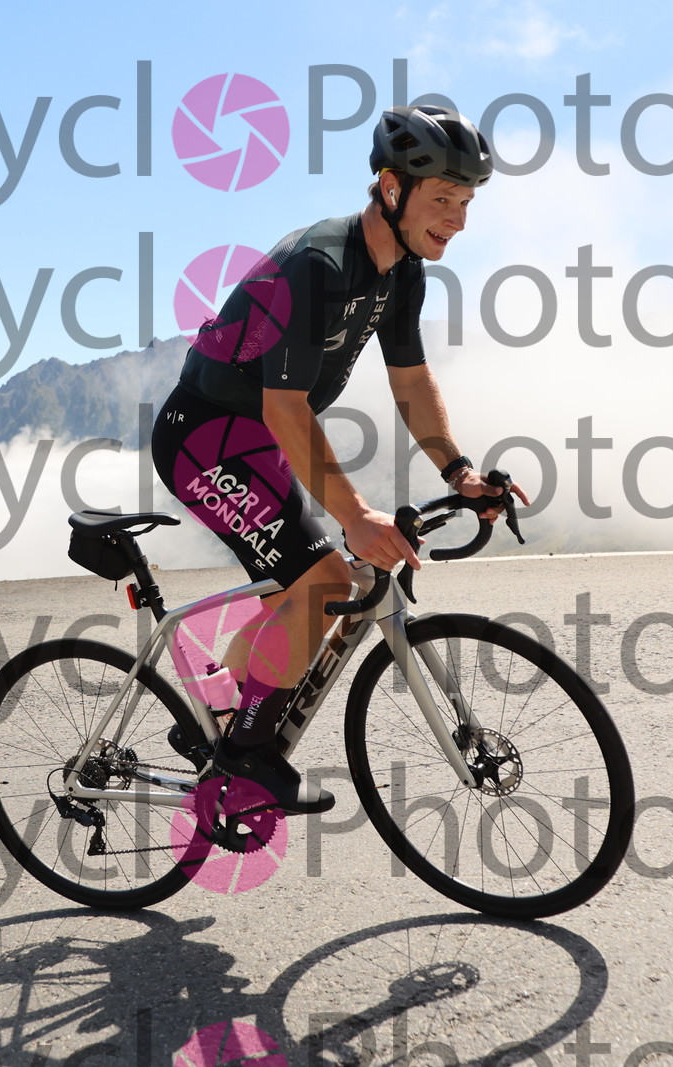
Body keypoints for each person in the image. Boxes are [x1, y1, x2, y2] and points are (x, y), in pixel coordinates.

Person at [150, 104, 530, 814]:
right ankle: (245, 760)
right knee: (325, 580)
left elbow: (411, 381)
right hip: (203, 438)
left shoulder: (403, 271)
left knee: (301, 596)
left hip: (256, 440)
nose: (458, 219)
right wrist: (354, 515)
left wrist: (460, 473)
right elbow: (284, 408)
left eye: (467, 203)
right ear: (392, 188)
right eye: (444, 199)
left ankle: (211, 717)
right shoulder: (318, 266)